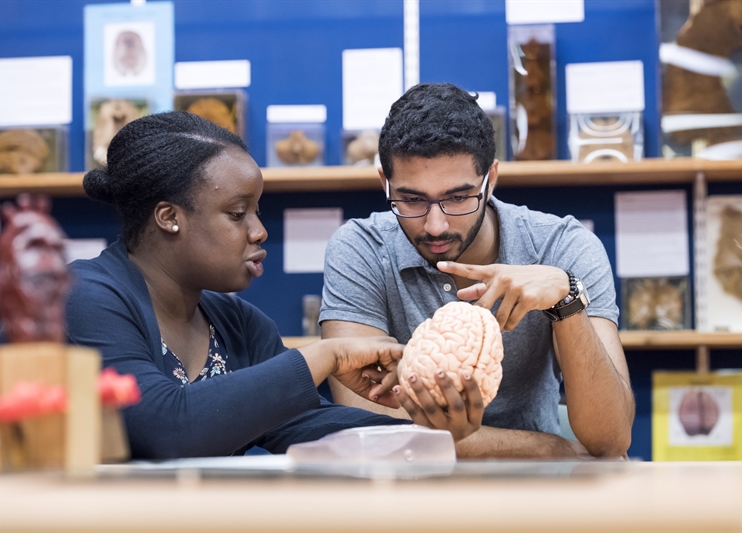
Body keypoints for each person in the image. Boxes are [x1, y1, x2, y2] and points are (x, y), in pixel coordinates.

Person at [62, 111, 483, 459]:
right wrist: (328, 355)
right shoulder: (83, 295)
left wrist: (426, 425)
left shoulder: (239, 325)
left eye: (257, 211)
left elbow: (309, 425)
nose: (260, 231)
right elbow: (165, 428)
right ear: (169, 217)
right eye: (237, 213)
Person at [321, 83, 635, 459]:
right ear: (383, 183)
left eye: (458, 197)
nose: (435, 225)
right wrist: (544, 447)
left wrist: (566, 299)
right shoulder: (361, 249)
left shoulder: (562, 246)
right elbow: (371, 430)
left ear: (491, 180)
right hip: (407, 497)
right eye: (411, 199)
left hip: (533, 498)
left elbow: (611, 438)